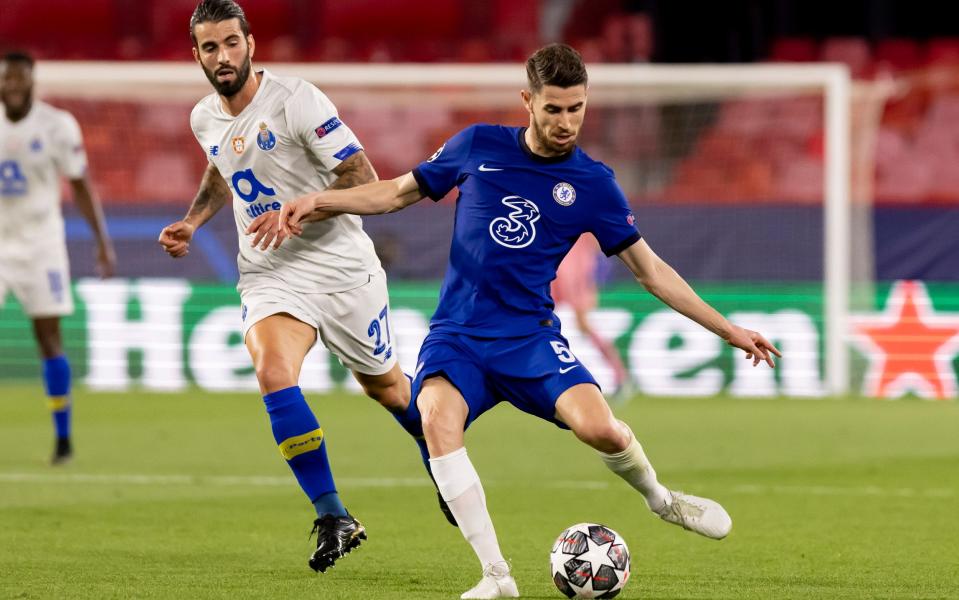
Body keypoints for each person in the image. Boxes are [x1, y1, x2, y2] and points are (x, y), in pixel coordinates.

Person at [262, 44, 781, 599]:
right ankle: (496, 576)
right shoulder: (477, 145)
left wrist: (729, 329)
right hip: (458, 337)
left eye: (576, 109)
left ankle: (662, 499)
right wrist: (318, 201)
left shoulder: (594, 184)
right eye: (553, 109)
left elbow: (651, 272)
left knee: (600, 429)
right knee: (435, 417)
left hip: (530, 338)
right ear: (527, 101)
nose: (565, 122)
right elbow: (394, 193)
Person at [157, 0, 413, 573]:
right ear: (195, 54)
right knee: (274, 374)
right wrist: (193, 222)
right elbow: (223, 166)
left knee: (390, 391)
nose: (221, 57)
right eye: (209, 47)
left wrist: (306, 208)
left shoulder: (298, 100)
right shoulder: (204, 117)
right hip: (272, 271)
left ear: (251, 42)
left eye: (230, 43)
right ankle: (333, 515)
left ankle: (439, 454)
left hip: (341, 266)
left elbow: (362, 176)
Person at [0, 50, 115, 465]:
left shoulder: (57, 125)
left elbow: (80, 184)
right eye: (6, 79)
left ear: (32, 81)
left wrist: (102, 240)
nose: (12, 85)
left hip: (40, 247)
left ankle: (63, 438)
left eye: (19, 79)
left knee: (48, 338)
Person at [551, 233, 632, 401]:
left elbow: (597, 239)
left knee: (581, 324)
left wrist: (591, 272)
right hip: (561, 263)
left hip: (572, 266)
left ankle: (619, 374)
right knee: (542, 318)